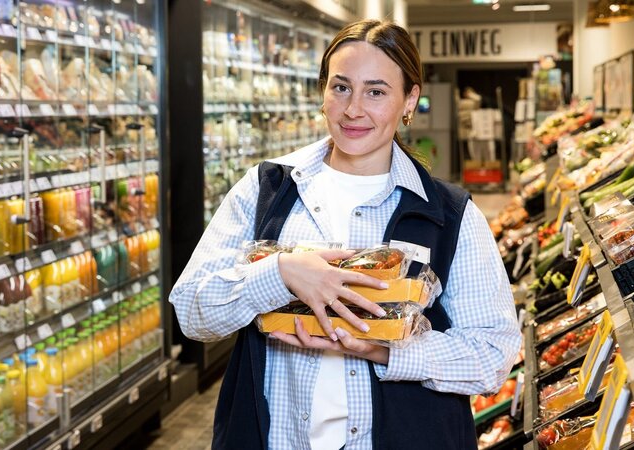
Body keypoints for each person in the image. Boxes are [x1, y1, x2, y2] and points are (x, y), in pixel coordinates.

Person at [170, 19, 520, 450]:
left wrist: (384, 350)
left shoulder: (449, 214)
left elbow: (492, 357)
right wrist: (280, 274)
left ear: (409, 100)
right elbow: (191, 312)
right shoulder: (266, 191)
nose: (354, 109)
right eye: (341, 87)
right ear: (322, 92)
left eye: (376, 91)